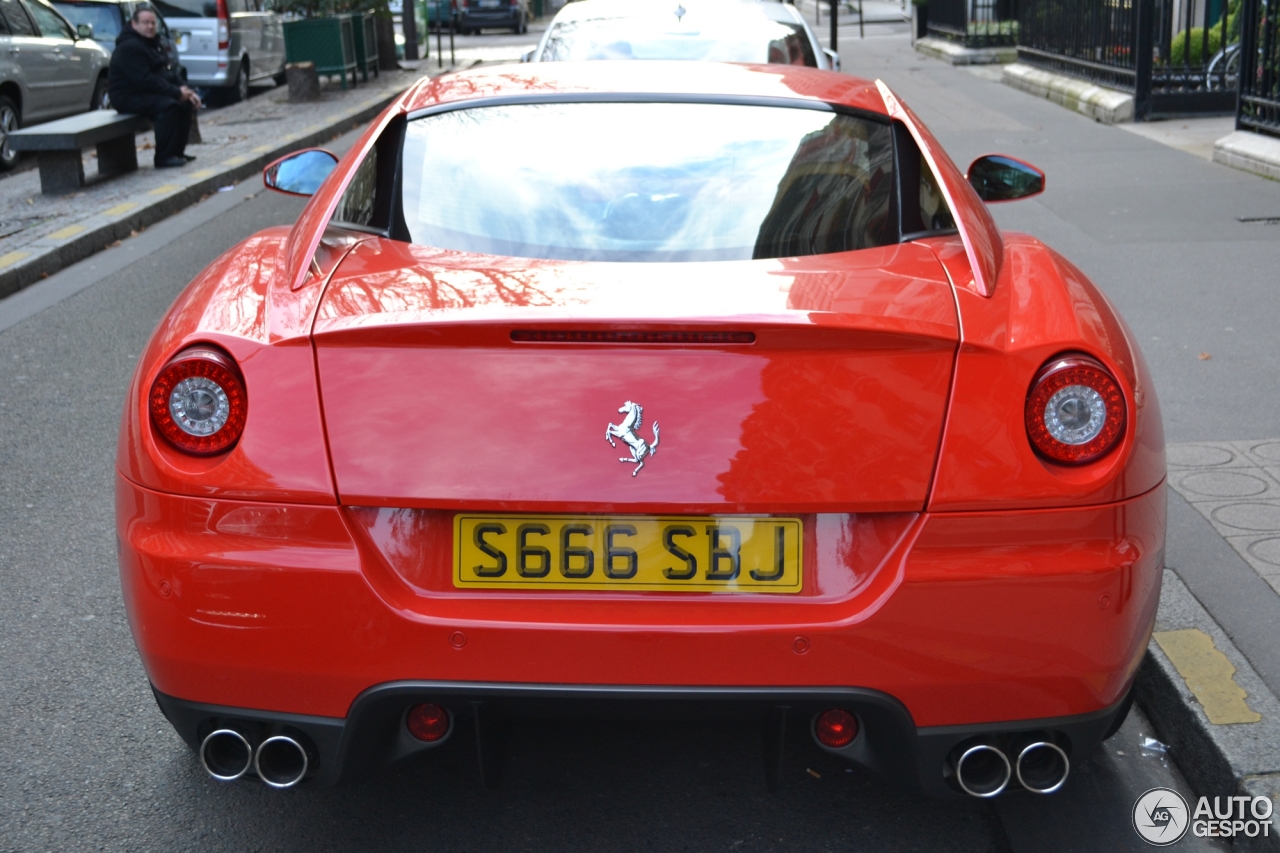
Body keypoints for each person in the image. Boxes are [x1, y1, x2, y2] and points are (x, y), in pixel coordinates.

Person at [107, 5, 202, 169]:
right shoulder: (129, 47)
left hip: (144, 91)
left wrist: (186, 90)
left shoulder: (152, 44)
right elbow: (143, 80)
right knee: (168, 107)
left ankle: (176, 152)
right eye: (145, 23)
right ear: (134, 24)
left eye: (153, 23)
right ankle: (163, 157)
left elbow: (166, 73)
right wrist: (175, 93)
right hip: (127, 96)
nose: (150, 27)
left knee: (185, 104)